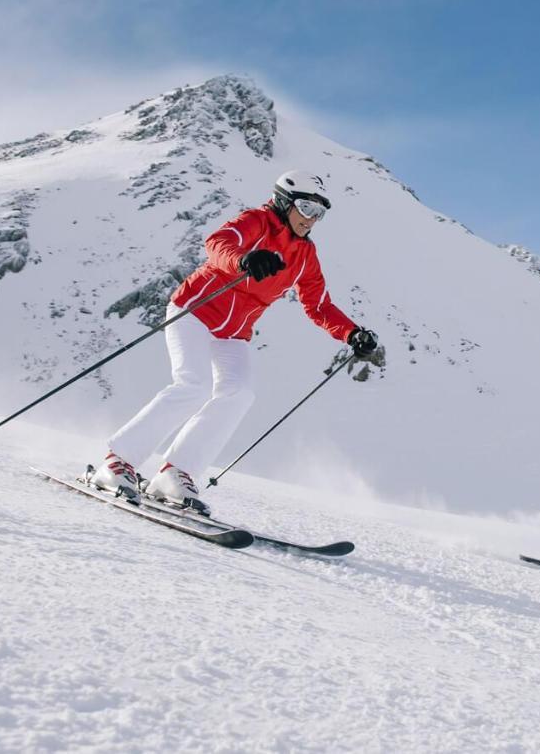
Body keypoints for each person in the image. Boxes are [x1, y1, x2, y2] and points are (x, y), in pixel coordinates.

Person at [88, 170, 379, 514]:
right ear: (284, 202)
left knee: (239, 393)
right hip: (194, 312)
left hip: (233, 333)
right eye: (305, 207)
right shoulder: (256, 221)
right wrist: (243, 260)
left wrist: (351, 332)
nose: (311, 219)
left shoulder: (305, 256)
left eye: (319, 213)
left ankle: (174, 474)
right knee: (192, 386)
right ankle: (116, 462)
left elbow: (318, 305)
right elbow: (217, 243)